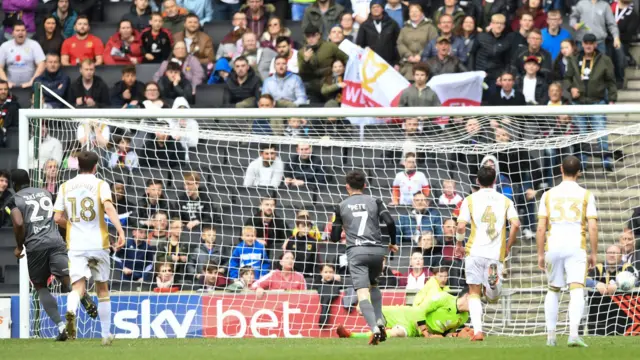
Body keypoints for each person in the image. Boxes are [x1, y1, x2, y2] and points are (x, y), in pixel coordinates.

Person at [4, 169, 98, 341]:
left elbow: (18, 222)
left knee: (40, 286)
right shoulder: (46, 193)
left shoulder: (13, 201)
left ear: (13, 184)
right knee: (66, 279)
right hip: (56, 242)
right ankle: (83, 297)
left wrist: (19, 247)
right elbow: (60, 214)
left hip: (35, 246)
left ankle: (62, 327)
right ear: (28, 180)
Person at [53, 151, 126, 345]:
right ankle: (105, 334)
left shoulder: (65, 186)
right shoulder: (100, 184)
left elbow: (57, 217)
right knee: (102, 289)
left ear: (78, 166)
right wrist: (120, 231)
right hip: (98, 244)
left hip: (76, 244)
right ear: (95, 167)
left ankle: (71, 310)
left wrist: (72, 224)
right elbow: (109, 208)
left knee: (77, 287)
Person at [330, 170, 399, 345]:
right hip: (377, 252)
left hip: (357, 252)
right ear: (365, 186)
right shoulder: (375, 201)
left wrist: (340, 226)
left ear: (347, 187)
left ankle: (374, 329)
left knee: (362, 294)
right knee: (374, 285)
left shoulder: (341, 205)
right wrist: (392, 242)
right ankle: (380, 320)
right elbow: (390, 222)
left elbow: (335, 237)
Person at [536, 155, 598, 347]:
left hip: (553, 245)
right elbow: (593, 227)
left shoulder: (548, 194)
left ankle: (551, 337)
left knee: (553, 289)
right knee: (577, 288)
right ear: (579, 172)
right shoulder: (586, 194)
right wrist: (594, 253)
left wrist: (539, 253)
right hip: (575, 246)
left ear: (560, 169)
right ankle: (573, 334)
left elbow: (540, 227)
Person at [456, 166, 521, 341]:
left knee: (474, 292)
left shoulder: (469, 199)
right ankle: (493, 284)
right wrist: (508, 245)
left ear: (477, 181)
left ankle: (478, 331)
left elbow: (461, 226)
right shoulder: (505, 200)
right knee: (493, 296)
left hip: (474, 252)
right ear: (494, 181)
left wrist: (459, 244)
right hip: (494, 253)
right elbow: (516, 224)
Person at [563, 33, 616, 171]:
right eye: (586, 42)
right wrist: (571, 88)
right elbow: (567, 78)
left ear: (595, 45)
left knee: (601, 133)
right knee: (581, 135)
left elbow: (611, 81)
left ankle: (606, 162)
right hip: (578, 103)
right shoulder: (573, 59)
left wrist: (612, 99)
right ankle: (582, 164)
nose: (588, 45)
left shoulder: (604, 60)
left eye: (591, 43)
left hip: (597, 102)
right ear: (582, 44)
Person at [337, 288, 470, 339]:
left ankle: (351, 335)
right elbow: (419, 310)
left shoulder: (464, 317)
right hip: (407, 314)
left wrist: (455, 335)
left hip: (413, 327)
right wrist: (426, 333)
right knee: (363, 310)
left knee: (397, 333)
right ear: (467, 296)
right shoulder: (444, 298)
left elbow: (443, 332)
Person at [298, 24, 348, 101]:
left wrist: (341, 73)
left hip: (330, 83)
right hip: (312, 86)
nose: (311, 39)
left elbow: (346, 59)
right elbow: (302, 73)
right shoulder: (301, 52)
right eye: (308, 36)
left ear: (318, 35)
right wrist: (306, 61)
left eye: (313, 35)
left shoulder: (330, 46)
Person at [396, 4, 437, 81]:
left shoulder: (430, 27)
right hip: (407, 64)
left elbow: (433, 43)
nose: (414, 14)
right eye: (411, 12)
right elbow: (400, 43)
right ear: (409, 14)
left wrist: (420, 55)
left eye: (416, 11)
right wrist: (409, 55)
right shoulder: (404, 29)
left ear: (422, 13)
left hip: (425, 64)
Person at [473, 13, 511, 96]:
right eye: (497, 23)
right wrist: (473, 73)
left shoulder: (506, 42)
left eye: (501, 24)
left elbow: (507, 62)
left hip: (495, 78)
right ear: (491, 24)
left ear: (504, 26)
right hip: (479, 75)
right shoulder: (481, 37)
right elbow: (472, 55)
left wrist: (501, 77)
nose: (499, 26)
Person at [0, 21, 46, 88]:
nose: (20, 32)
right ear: (12, 33)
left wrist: (33, 81)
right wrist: (6, 83)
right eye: (17, 30)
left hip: (30, 86)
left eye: (23, 30)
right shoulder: (4, 46)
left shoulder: (34, 44)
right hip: (10, 87)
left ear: (26, 32)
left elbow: (42, 64)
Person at [356, 0, 401, 66]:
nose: (375, 9)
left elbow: (398, 44)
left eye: (378, 7)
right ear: (370, 10)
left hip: (389, 63)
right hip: (371, 64)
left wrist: (397, 62)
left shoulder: (392, 24)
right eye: (373, 7)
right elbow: (360, 45)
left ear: (382, 8)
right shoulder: (364, 26)